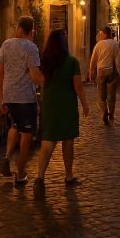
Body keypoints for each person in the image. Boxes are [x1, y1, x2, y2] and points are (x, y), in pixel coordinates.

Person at [33, 30, 90, 200]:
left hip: (49, 103)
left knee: (48, 141)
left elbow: (40, 81)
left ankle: (39, 177)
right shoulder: (71, 62)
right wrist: (85, 104)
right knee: (68, 141)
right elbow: (78, 86)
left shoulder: (45, 61)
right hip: (66, 103)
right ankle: (69, 175)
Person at [0, 16, 44, 185]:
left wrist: (2, 98)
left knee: (15, 125)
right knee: (27, 133)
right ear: (32, 30)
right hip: (25, 97)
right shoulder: (31, 47)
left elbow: (0, 72)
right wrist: (44, 84)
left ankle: (7, 156)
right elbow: (34, 75)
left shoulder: (6, 44)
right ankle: (21, 170)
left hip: (9, 95)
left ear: (18, 27)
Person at [89, 26, 120, 126]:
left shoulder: (98, 45)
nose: (99, 36)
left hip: (101, 72)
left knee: (101, 96)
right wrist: (119, 73)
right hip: (111, 71)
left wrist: (91, 71)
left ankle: (104, 113)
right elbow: (118, 59)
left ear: (104, 34)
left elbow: (93, 59)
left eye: (101, 34)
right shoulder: (115, 44)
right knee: (111, 95)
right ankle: (111, 114)